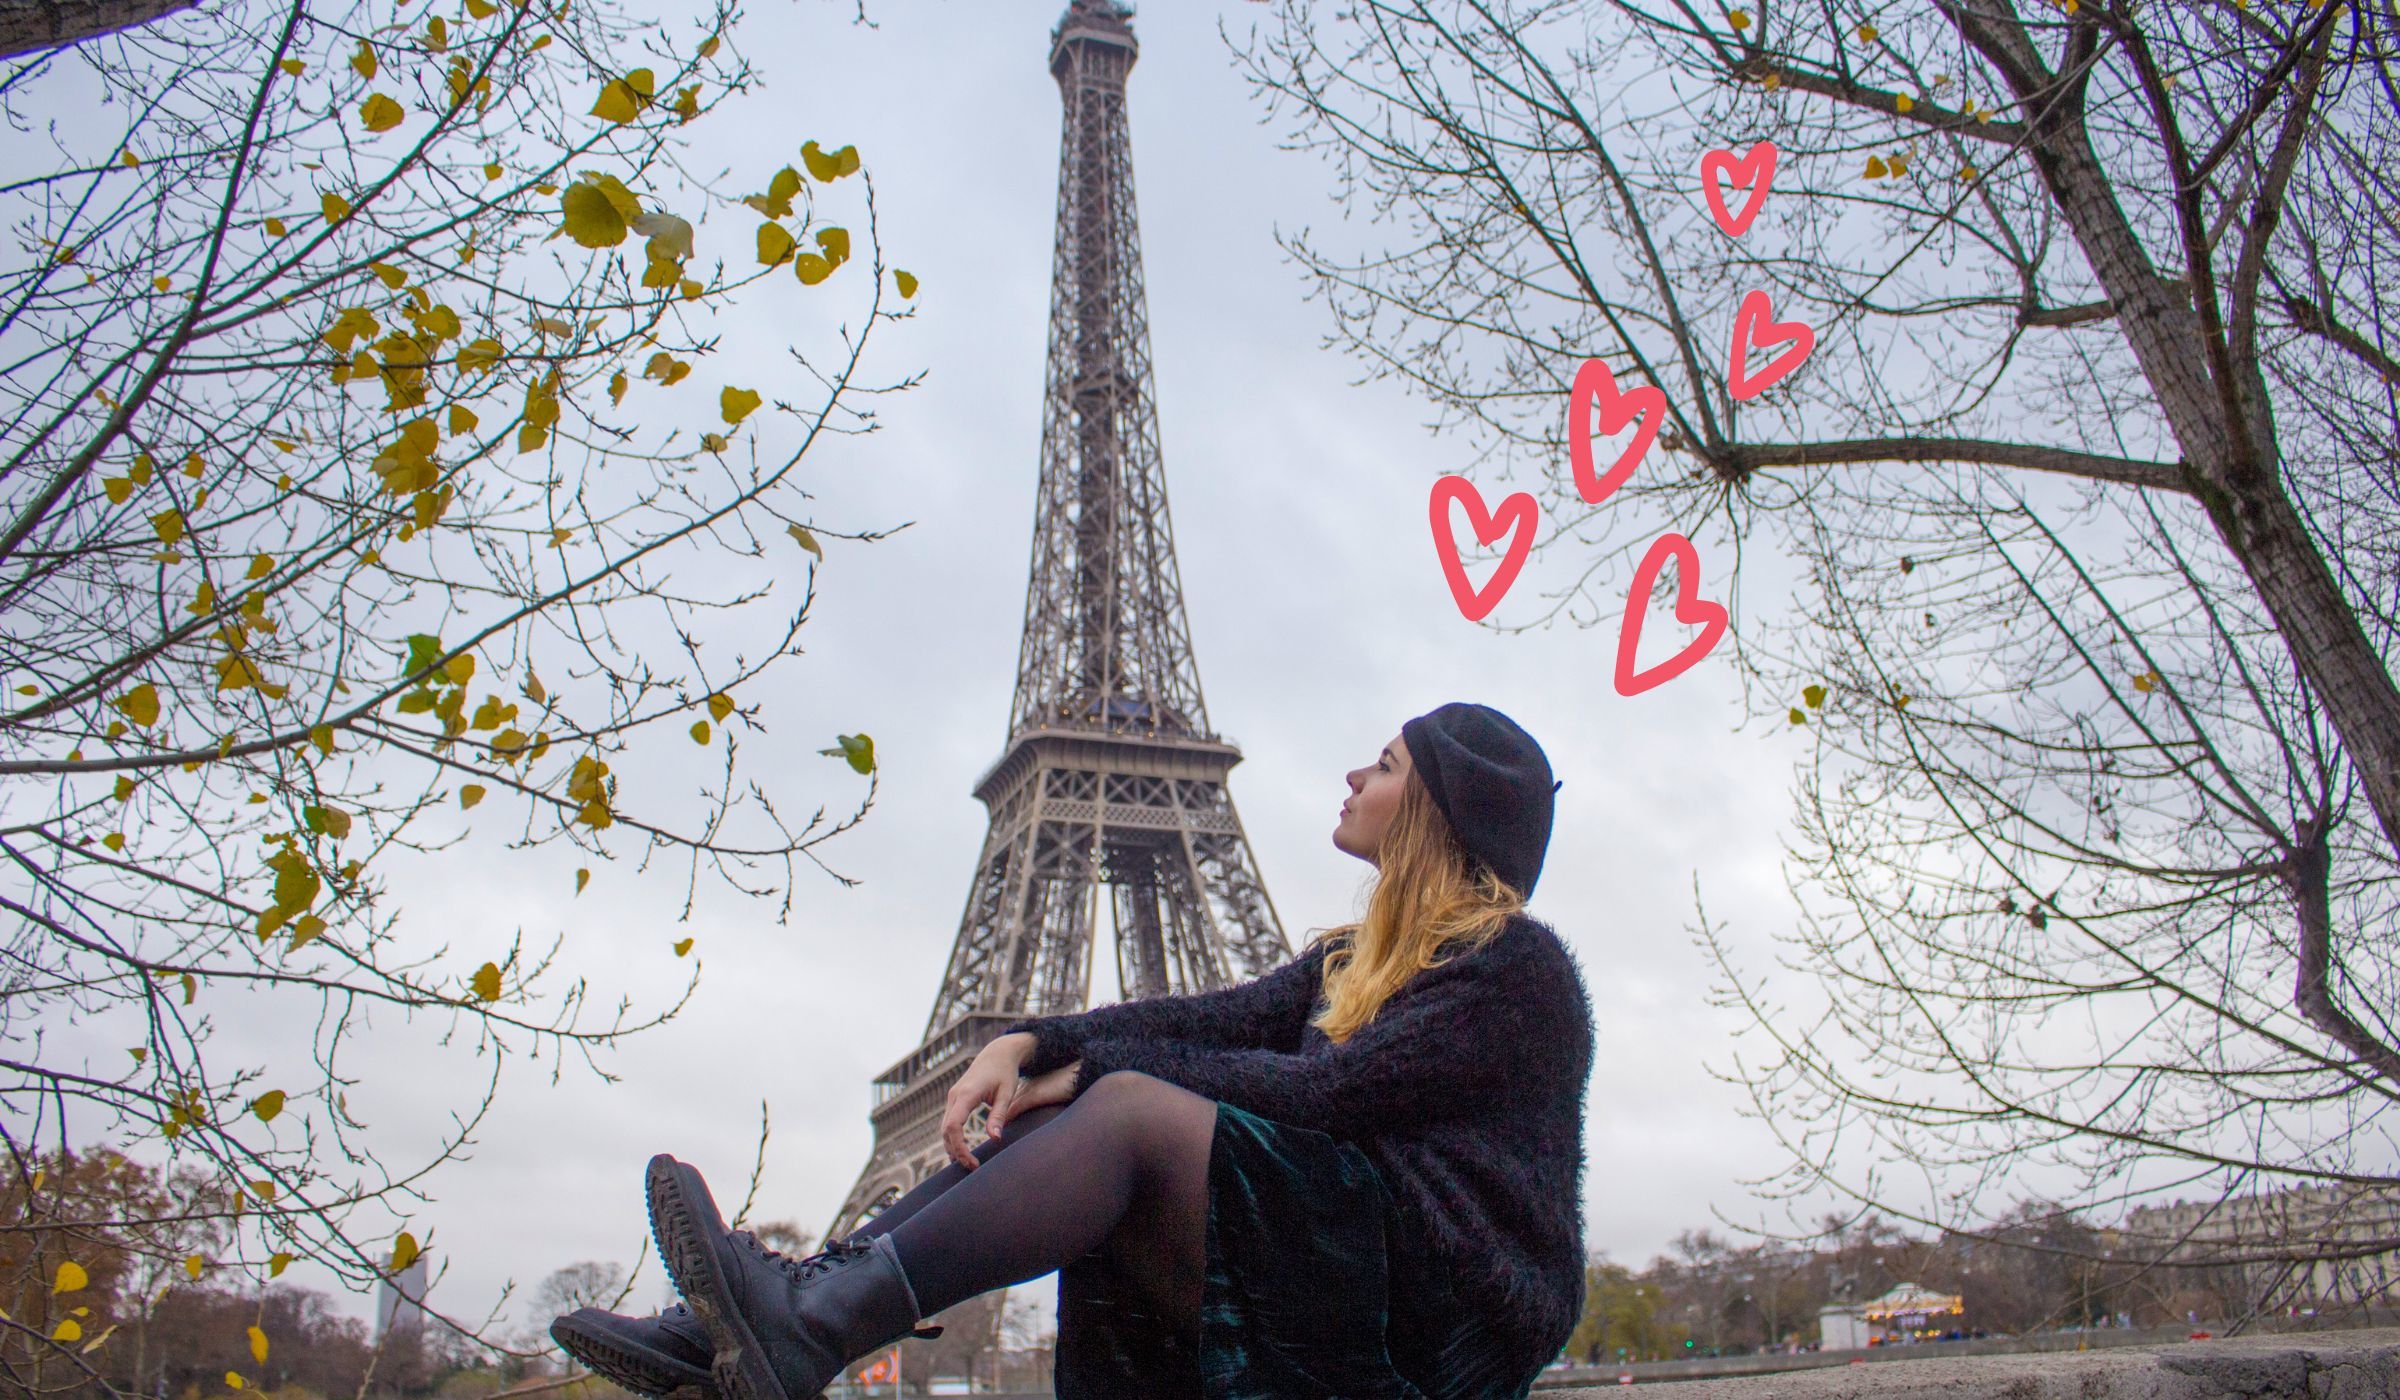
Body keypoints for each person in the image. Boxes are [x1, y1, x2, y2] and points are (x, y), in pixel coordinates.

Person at [552, 702, 1596, 1400]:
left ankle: (804, 1320)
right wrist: (1034, 1038)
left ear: (1434, 812)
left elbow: (1328, 1096)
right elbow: (1200, 1020)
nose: (1355, 770)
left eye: (1386, 763)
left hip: (1442, 1316)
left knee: (1131, 1109)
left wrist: (1095, 1070)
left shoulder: (1516, 970)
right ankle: (770, 1322)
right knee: (1067, 1111)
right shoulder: (1346, 961)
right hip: (1342, 1266)